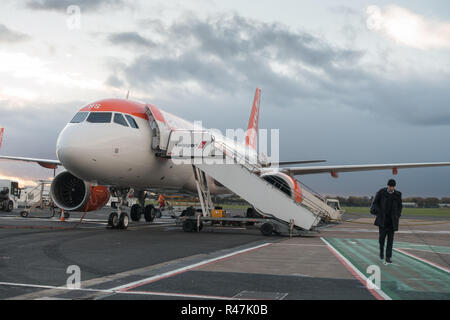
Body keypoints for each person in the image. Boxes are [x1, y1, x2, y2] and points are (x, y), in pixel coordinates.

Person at [370, 179, 402, 264]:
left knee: (390, 240)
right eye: (390, 186)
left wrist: (397, 215)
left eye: (392, 186)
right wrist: (379, 212)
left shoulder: (398, 194)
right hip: (383, 220)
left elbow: (400, 206)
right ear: (387, 185)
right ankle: (381, 251)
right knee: (382, 239)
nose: (391, 188)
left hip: (392, 221)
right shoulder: (381, 192)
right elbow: (375, 203)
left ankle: (388, 257)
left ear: (394, 186)